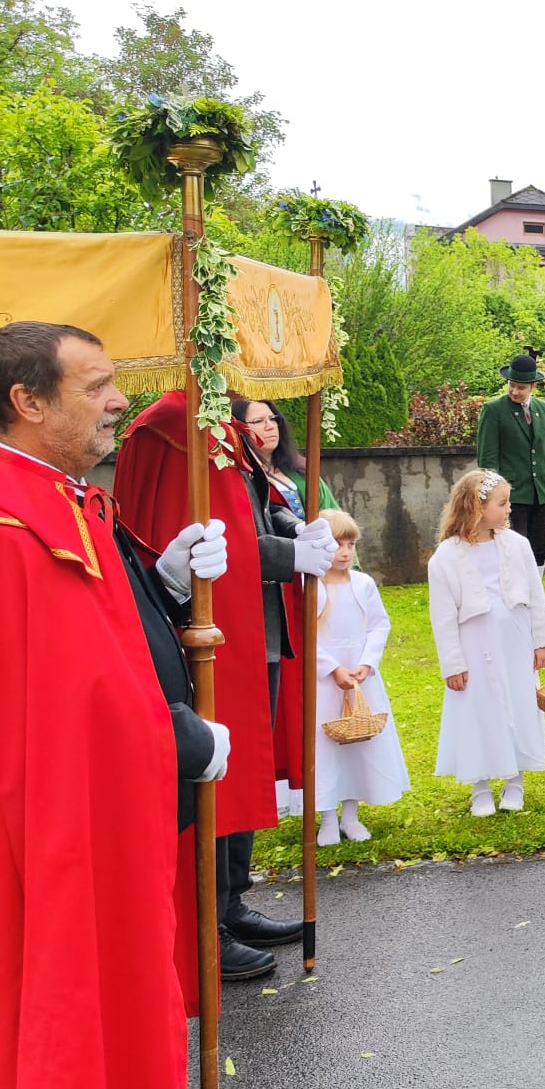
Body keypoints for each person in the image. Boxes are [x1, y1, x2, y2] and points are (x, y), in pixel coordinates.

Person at [0, 321, 230, 1089]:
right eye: (94, 386)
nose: (115, 401)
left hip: (65, 816)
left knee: (57, 1009)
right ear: (28, 401)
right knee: (38, 1007)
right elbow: (69, 693)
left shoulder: (49, 502)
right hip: (38, 825)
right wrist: (180, 740)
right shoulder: (16, 528)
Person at [116, 388, 335, 980]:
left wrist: (297, 527)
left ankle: (231, 901)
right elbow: (218, 537)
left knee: (242, 772)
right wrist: (290, 554)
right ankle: (204, 923)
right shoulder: (175, 425)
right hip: (216, 628)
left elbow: (256, 508)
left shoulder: (223, 423)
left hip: (255, 626)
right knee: (212, 774)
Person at [429, 469, 545, 818]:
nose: (509, 509)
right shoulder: (445, 557)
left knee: (517, 702)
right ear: (476, 507)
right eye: (502, 503)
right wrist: (453, 664)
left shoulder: (517, 545)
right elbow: (442, 617)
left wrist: (541, 641)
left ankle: (515, 780)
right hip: (473, 644)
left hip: (514, 639)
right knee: (478, 709)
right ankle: (480, 785)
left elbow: (535, 595)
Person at [233, 396, 334, 823]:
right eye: (257, 421)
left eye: (272, 418)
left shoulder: (296, 469)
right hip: (277, 589)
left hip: (313, 574)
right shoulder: (237, 471)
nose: (268, 427)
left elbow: (309, 514)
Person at [312, 510, 409, 846]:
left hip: (360, 678)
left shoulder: (363, 584)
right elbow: (305, 633)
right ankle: (326, 818)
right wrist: (331, 668)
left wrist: (366, 664)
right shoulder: (311, 587)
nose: (345, 551)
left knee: (357, 742)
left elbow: (378, 625)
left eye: (350, 544)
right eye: (337, 544)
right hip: (325, 682)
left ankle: (350, 815)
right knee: (325, 745)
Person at [475, 349, 545, 574]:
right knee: (513, 548)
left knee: (539, 549)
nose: (515, 391)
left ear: (533, 387)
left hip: (542, 493)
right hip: (511, 496)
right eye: (512, 385)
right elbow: (487, 459)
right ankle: (514, 603)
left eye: (521, 387)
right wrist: (492, 497)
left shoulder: (543, 409)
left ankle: (534, 603)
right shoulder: (493, 409)